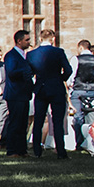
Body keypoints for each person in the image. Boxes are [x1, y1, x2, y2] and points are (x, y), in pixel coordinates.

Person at [26, 30, 72, 159]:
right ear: (52, 39)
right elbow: (68, 70)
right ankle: (61, 152)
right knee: (57, 121)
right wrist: (61, 78)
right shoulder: (58, 52)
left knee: (38, 120)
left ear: (40, 38)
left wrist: (35, 85)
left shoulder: (31, 54)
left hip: (41, 88)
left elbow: (28, 73)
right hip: (56, 87)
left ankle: (36, 150)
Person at [0, 29, 34, 157]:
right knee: (15, 123)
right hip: (15, 94)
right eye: (27, 40)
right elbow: (12, 72)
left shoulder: (25, 55)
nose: (29, 42)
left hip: (24, 94)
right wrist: (26, 70)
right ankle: (12, 150)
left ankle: (22, 150)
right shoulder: (11, 55)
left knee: (23, 124)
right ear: (19, 41)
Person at [70, 40, 94, 155]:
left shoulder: (76, 59)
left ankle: (79, 143)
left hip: (78, 90)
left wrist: (70, 86)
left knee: (78, 117)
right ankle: (92, 142)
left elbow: (72, 76)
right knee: (92, 118)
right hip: (92, 91)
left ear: (80, 47)